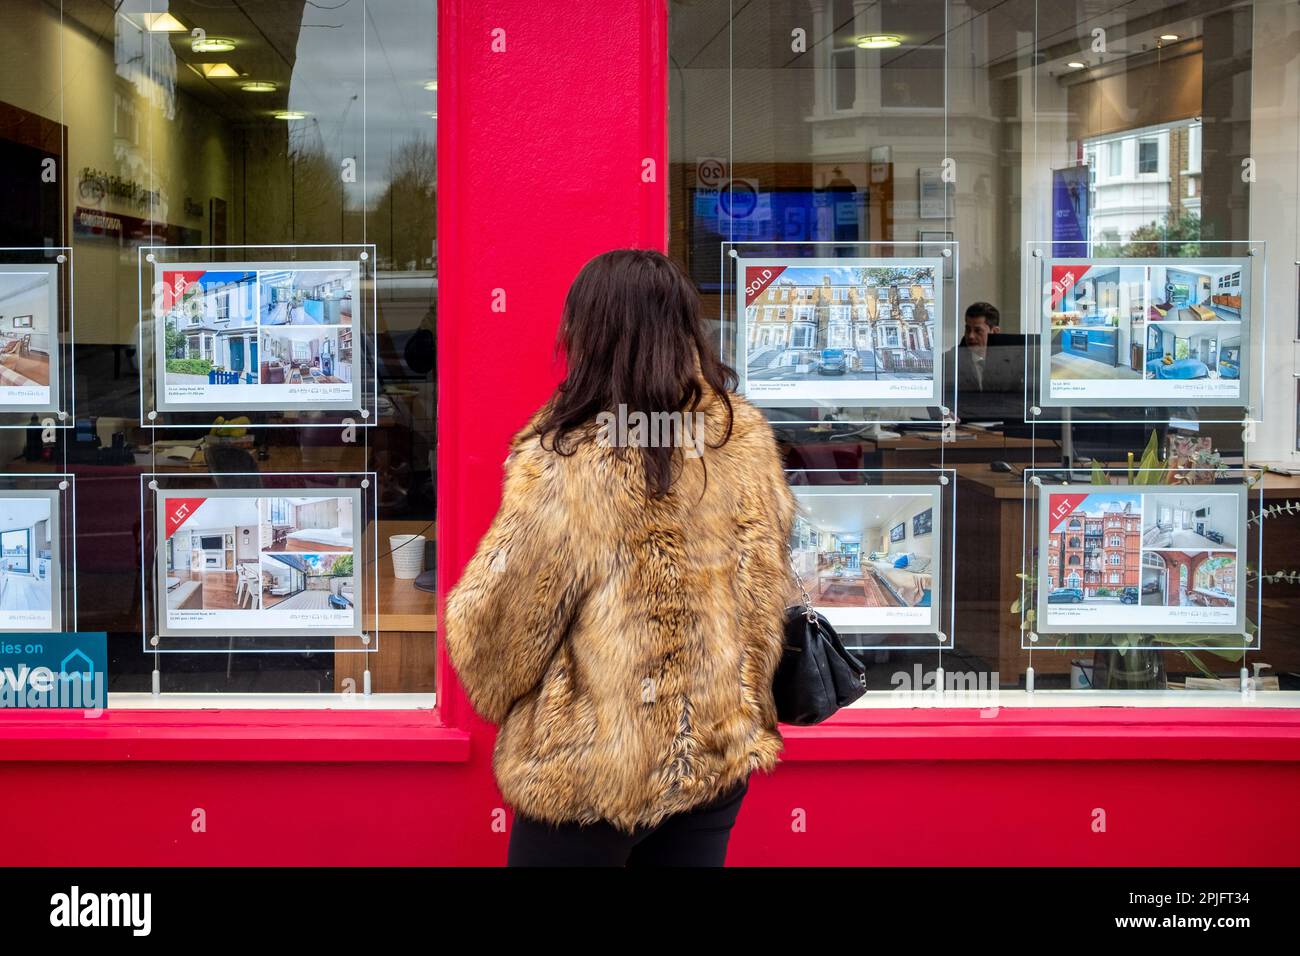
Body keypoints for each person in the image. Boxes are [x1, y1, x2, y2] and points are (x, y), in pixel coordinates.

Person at [444, 248, 796, 867]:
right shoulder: (742, 441)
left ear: (593, 337)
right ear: (685, 328)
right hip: (714, 756)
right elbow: (765, 602)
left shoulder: (570, 460)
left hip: (593, 769)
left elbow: (496, 634)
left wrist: (507, 697)